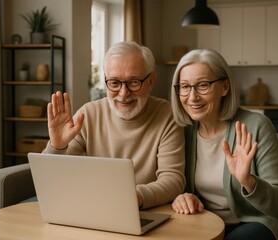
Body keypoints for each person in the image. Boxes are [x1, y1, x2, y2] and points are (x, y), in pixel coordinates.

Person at [170, 49, 278, 240]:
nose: (192, 97)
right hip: (207, 223)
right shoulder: (183, 131)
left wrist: (249, 181)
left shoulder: (256, 125)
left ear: (224, 87)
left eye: (203, 85)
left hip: (260, 221)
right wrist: (182, 197)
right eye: (185, 86)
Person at [43, 41, 185, 209]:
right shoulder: (88, 114)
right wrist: (57, 146)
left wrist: (135, 196)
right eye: (115, 83)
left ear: (151, 81)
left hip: (144, 211)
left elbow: (173, 179)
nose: (123, 94)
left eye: (134, 82)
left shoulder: (168, 115)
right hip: (91, 207)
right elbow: (49, 181)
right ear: (105, 80)